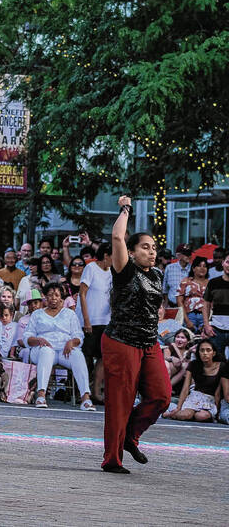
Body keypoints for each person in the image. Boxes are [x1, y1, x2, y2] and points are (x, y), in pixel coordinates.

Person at [100, 195, 171, 475]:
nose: (152, 252)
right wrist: (125, 209)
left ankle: (130, 435)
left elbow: (152, 303)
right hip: (122, 341)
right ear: (131, 252)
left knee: (161, 396)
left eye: (154, 248)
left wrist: (158, 312)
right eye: (145, 247)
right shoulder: (124, 270)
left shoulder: (157, 275)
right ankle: (112, 459)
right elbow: (118, 237)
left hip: (149, 342)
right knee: (120, 402)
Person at [22, 283, 94, 411]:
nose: (53, 298)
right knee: (46, 351)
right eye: (50, 295)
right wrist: (38, 340)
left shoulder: (69, 314)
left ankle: (85, 398)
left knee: (77, 354)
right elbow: (27, 336)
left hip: (63, 350)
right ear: (45, 297)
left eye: (56, 295)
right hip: (41, 349)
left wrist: (72, 342)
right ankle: (41, 395)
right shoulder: (37, 314)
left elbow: (78, 335)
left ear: (61, 297)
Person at [76, 243, 112, 403]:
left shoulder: (112, 272)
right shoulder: (91, 268)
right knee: (86, 357)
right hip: (90, 319)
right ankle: (83, 391)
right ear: (106, 255)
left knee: (103, 357)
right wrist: (86, 320)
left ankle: (97, 392)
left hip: (107, 320)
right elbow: (82, 294)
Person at [164, 338, 222, 422]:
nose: (205, 353)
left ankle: (192, 415)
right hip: (195, 397)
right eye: (202, 350)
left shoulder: (221, 366)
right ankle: (170, 413)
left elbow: (218, 393)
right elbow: (185, 388)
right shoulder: (193, 364)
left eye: (208, 350)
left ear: (214, 353)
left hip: (210, 400)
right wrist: (179, 407)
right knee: (184, 415)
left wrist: (218, 412)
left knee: (201, 416)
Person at [203, 252, 229, 361]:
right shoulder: (213, 283)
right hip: (216, 329)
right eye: (228, 262)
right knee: (216, 362)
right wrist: (206, 325)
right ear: (223, 263)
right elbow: (206, 305)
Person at [162, 243, 193, 309]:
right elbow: (165, 289)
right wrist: (166, 304)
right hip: (172, 306)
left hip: (188, 308)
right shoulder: (169, 268)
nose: (189, 256)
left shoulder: (193, 269)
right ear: (178, 255)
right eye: (186, 254)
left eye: (190, 253)